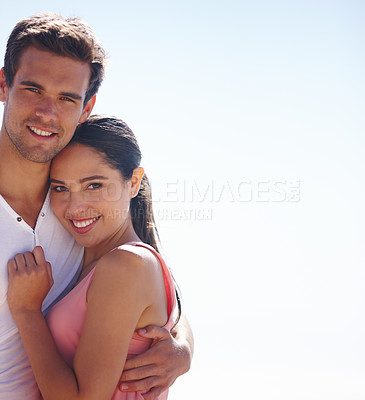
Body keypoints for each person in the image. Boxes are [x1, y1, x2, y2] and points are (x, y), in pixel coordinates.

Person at [0, 13, 193, 400]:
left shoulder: (77, 219)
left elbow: (137, 285)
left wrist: (182, 344)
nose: (46, 113)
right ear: (3, 84)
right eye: (33, 89)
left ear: (86, 107)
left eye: (67, 97)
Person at [7, 115, 179, 400]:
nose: (75, 207)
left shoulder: (125, 265)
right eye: (60, 188)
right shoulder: (96, 258)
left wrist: (27, 312)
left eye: (94, 185)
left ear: (133, 182)